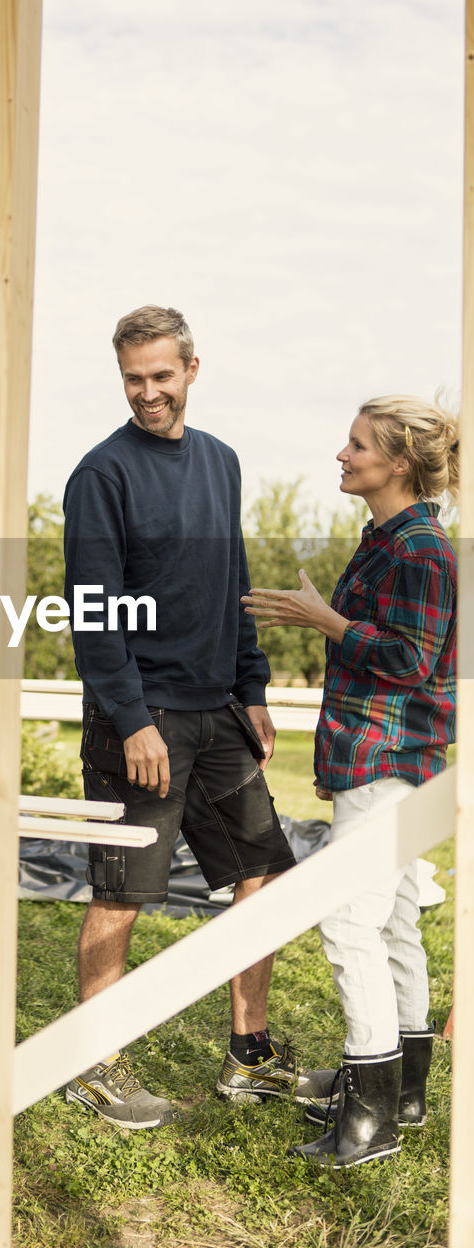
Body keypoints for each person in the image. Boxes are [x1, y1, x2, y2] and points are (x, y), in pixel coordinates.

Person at [62, 304, 321, 1129]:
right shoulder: (101, 474)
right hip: (139, 720)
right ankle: (93, 1063)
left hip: (217, 714)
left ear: (191, 371)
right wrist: (132, 717)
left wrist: (253, 686)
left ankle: (250, 1057)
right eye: (132, 379)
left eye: (160, 376)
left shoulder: (221, 462)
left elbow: (230, 582)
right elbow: (93, 613)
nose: (147, 393)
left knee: (264, 871)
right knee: (123, 893)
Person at [243, 395, 457, 1168]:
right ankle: (397, 1088)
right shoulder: (384, 539)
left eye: (356, 443)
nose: (341, 453)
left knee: (347, 925)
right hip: (376, 759)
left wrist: (322, 619)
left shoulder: (420, 550)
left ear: (396, 462)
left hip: (392, 763)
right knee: (394, 919)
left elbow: (411, 660)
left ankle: (368, 1121)